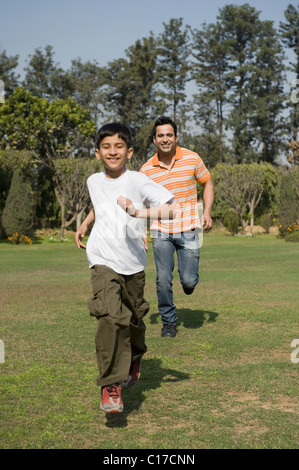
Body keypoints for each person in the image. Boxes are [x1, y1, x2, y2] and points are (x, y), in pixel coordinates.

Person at [75, 123, 175, 414]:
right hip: (101, 258)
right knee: (109, 316)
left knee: (133, 320)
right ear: (97, 153)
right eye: (106, 147)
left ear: (129, 151)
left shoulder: (138, 180)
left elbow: (171, 208)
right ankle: (111, 385)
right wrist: (85, 223)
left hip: (132, 262)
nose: (112, 151)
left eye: (119, 146)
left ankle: (135, 355)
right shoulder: (93, 180)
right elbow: (101, 204)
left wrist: (138, 212)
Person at [140, 116, 214, 338]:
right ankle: (168, 322)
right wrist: (140, 231)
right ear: (154, 139)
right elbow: (139, 204)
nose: (165, 139)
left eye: (169, 135)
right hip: (160, 230)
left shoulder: (192, 158)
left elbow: (207, 182)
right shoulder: (146, 170)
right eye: (160, 135)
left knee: (189, 280)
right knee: (163, 278)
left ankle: (188, 283)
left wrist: (207, 211)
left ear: (176, 137)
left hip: (190, 227)